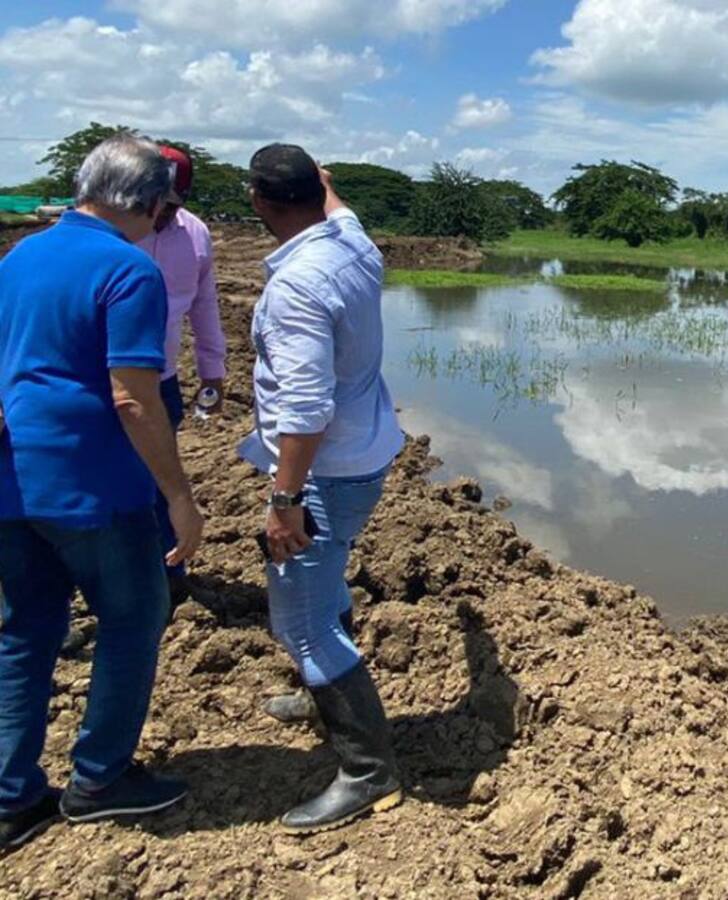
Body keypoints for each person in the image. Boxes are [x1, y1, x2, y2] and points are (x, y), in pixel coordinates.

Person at [0, 135, 204, 850]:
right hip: (94, 488)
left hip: (14, 480)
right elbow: (133, 399)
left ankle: (11, 798)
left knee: (26, 632)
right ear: (152, 204)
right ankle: (99, 780)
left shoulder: (21, 256)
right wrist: (178, 494)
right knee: (134, 618)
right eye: (166, 208)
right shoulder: (129, 271)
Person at [241, 143, 405, 832]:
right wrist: (328, 189)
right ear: (318, 189)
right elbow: (342, 209)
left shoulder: (298, 285)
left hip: (323, 472)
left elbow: (304, 408)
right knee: (326, 582)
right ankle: (321, 697)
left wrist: (285, 500)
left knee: (301, 623)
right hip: (363, 456)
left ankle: (369, 772)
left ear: (259, 202)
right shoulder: (353, 245)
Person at [136, 146, 227, 602]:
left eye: (170, 204)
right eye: (153, 201)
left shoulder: (194, 236)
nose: (158, 213)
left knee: (162, 481)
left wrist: (212, 369)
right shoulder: (108, 235)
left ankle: (168, 580)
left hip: (162, 379)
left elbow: (204, 304)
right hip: (98, 381)